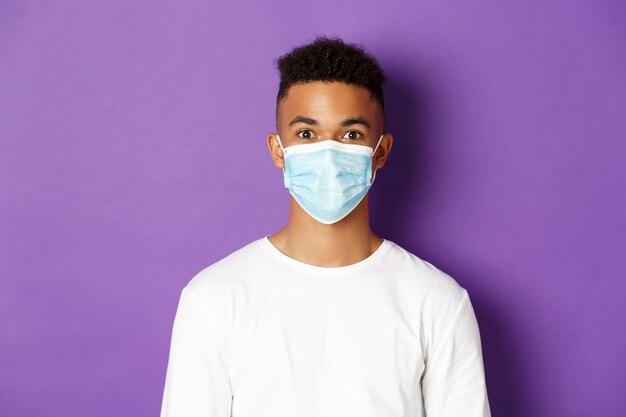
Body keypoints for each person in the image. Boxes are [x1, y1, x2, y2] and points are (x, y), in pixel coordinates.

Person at [160, 36, 491, 417]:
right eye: (306, 134)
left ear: (379, 151)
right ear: (276, 150)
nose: (329, 153)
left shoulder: (437, 303)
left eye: (351, 135)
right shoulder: (215, 298)